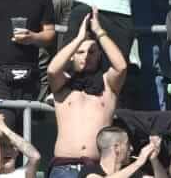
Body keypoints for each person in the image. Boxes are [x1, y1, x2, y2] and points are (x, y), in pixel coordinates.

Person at [45, 10, 128, 175]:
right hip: (63, 167)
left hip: (99, 168)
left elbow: (121, 66)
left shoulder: (107, 84)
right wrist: (78, 39)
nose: (86, 57)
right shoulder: (63, 84)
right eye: (80, 52)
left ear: (99, 56)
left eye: (92, 52)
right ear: (72, 56)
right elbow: (52, 70)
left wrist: (99, 32)